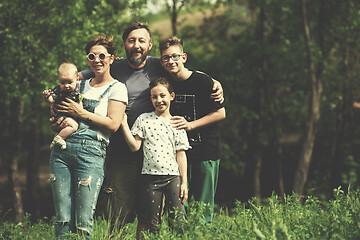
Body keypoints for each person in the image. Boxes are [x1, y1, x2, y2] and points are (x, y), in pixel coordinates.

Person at [78, 22, 224, 234]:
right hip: (124, 146)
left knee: (153, 211)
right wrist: (71, 79)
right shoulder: (114, 65)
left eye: (141, 41)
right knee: (120, 206)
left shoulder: (158, 64)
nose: (137, 45)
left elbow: (183, 67)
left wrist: (214, 82)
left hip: (157, 149)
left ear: (150, 45)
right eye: (131, 40)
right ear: (124, 44)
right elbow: (88, 70)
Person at [48, 34, 127, 239]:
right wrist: (56, 122)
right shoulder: (77, 84)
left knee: (83, 220)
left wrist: (81, 113)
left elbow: (114, 124)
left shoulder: (117, 88)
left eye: (102, 55)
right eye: (92, 56)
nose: (97, 60)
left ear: (111, 58)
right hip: (62, 151)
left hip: (91, 154)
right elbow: (59, 114)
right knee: (62, 217)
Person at [159, 36, 226, 224]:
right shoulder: (165, 82)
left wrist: (191, 125)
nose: (171, 61)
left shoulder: (203, 81)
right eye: (166, 58)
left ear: (184, 57)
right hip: (179, 154)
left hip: (207, 151)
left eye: (175, 56)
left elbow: (221, 113)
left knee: (204, 208)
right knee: (180, 204)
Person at [121, 76, 190, 235]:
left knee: (177, 221)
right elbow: (135, 147)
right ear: (150, 99)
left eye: (162, 95)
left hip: (173, 178)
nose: (159, 100)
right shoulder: (144, 119)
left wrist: (184, 182)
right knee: (153, 223)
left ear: (171, 96)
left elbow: (181, 154)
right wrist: (124, 125)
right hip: (150, 179)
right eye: (154, 97)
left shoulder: (177, 122)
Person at [43, 62, 81, 150]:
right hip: (61, 115)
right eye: (62, 82)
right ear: (59, 80)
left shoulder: (78, 88)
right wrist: (48, 96)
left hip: (69, 115)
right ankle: (59, 138)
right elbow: (52, 100)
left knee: (65, 128)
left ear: (77, 80)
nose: (66, 86)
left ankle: (54, 143)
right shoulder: (59, 90)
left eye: (70, 82)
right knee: (74, 126)